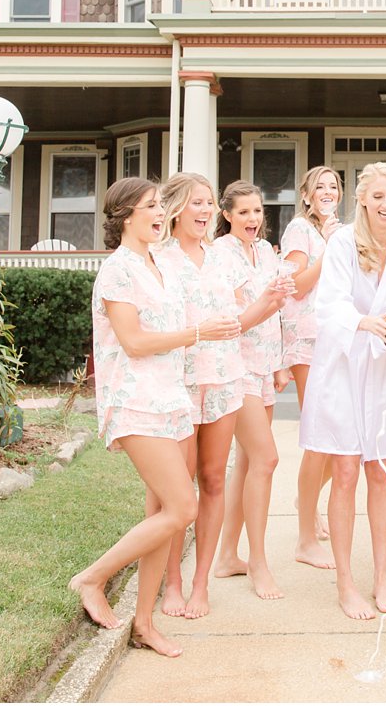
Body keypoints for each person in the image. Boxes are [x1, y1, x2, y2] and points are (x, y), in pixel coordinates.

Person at [69, 177, 241, 655]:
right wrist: (197, 334)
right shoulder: (118, 271)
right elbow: (134, 342)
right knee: (182, 508)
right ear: (126, 216)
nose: (161, 213)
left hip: (171, 399)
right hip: (134, 402)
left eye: (161, 206)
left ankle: (143, 623)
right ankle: (92, 577)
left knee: (168, 514)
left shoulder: (156, 263)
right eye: (151, 207)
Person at [298, 161, 386, 620]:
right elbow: (328, 302)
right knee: (346, 473)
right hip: (342, 368)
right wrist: (363, 322)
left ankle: (380, 577)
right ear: (361, 198)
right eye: (378, 196)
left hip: (385, 374)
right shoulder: (341, 243)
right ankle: (345, 584)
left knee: (381, 472)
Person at [154, 172, 247, 619]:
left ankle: (199, 583)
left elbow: (239, 316)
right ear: (175, 207)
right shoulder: (157, 259)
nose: (206, 212)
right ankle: (169, 581)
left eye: (210, 203)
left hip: (224, 379)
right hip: (178, 382)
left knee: (213, 480)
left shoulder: (222, 258)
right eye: (197, 203)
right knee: (178, 489)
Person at [209, 180, 293, 602]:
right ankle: (259, 563)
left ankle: (227, 555)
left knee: (246, 463)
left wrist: (279, 366)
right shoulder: (219, 256)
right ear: (227, 215)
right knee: (267, 458)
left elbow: (276, 312)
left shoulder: (265, 252)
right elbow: (236, 319)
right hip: (233, 367)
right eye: (244, 212)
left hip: (262, 367)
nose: (253, 219)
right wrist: (269, 300)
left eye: (258, 211)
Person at [282, 166, 344, 570]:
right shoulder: (299, 231)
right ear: (306, 195)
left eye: (333, 186)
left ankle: (306, 500)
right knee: (319, 433)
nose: (326, 191)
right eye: (319, 186)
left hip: (339, 337)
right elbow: (298, 285)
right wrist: (332, 249)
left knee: (337, 438)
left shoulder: (343, 230)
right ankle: (306, 537)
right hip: (307, 340)